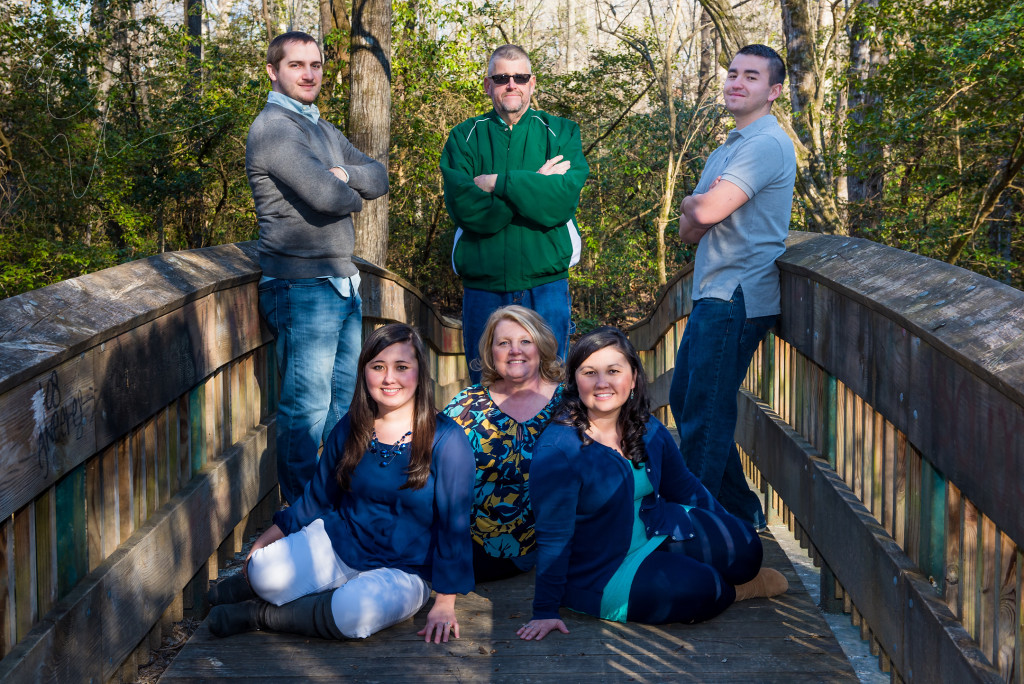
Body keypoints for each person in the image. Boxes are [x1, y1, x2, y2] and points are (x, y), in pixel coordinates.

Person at [206, 324, 475, 643]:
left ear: (420, 372)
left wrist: (445, 602)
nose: (390, 378)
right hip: (342, 542)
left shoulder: (448, 440)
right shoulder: (352, 427)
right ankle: (253, 587)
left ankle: (260, 615)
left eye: (402, 367)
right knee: (263, 572)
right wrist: (262, 545)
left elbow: (453, 525)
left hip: (406, 568)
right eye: (378, 367)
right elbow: (316, 499)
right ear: (365, 373)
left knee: (353, 613)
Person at [517, 327, 788, 641]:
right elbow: (554, 537)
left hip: (657, 527)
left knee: (747, 548)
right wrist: (545, 610)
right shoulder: (558, 450)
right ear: (575, 382)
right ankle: (737, 590)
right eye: (590, 372)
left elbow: (684, 486)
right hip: (603, 569)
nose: (602, 383)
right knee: (701, 589)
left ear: (633, 378)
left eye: (613, 371)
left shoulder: (646, 426)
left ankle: (704, 569)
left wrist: (724, 527)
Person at [247, 31, 389, 504]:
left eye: (316, 65)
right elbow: (327, 197)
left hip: (341, 282)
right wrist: (349, 193)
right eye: (296, 65)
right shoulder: (275, 128)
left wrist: (345, 175)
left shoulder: (322, 129)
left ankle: (330, 503)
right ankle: (302, 513)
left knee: (342, 404)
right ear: (273, 71)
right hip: (301, 284)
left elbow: (378, 174)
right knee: (305, 409)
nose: (309, 74)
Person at [669, 44, 797, 529]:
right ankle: (741, 515)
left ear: (773, 92)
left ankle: (696, 525)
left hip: (739, 294)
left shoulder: (765, 144)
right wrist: (699, 207)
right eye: (733, 74)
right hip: (715, 292)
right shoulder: (730, 147)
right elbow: (689, 232)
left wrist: (695, 202)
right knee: (688, 400)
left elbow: (700, 214)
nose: (737, 82)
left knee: (703, 409)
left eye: (751, 76)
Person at [440, 44, 589, 382]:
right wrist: (535, 185)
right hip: (484, 289)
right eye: (501, 77)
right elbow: (470, 211)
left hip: (546, 286)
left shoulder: (562, 133)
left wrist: (497, 183)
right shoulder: (464, 138)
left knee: (550, 388)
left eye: (520, 77)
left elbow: (559, 203)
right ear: (487, 85)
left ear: (532, 83)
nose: (511, 84)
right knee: (487, 390)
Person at [442, 306, 564, 582]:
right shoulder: (466, 404)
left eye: (525, 341)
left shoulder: (569, 405)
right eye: (504, 343)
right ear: (491, 352)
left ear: (541, 347)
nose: (515, 351)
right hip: (463, 538)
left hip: (529, 546)